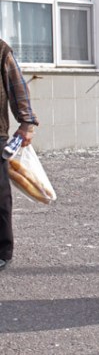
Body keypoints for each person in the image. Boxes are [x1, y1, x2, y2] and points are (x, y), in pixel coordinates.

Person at [0, 38, 39, 272]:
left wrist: (26, 122)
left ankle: (2, 250)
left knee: (0, 194)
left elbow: (17, 87)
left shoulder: (1, 49)